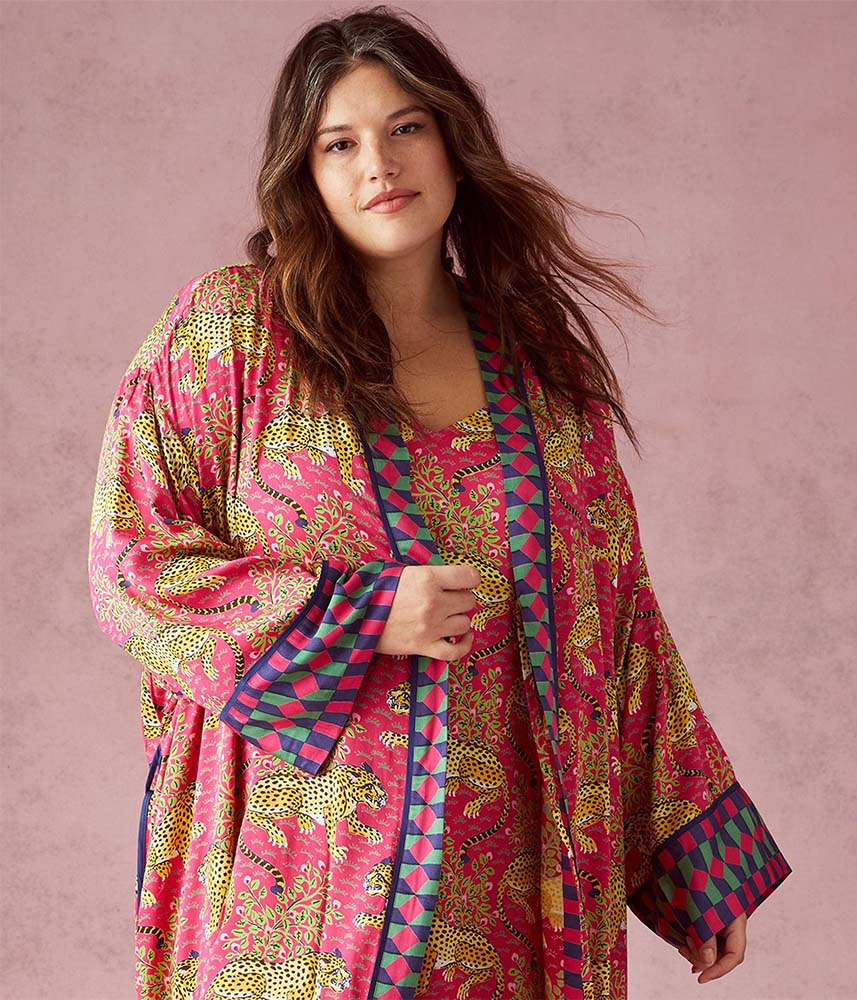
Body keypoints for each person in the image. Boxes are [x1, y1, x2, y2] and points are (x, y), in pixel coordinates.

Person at [87, 6, 791, 999]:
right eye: (339, 143)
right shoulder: (232, 334)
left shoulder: (540, 368)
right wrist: (363, 613)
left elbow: (619, 622)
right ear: (305, 173)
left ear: (456, 141)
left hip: (521, 902)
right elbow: (134, 566)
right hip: (301, 899)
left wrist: (692, 867)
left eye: (406, 126)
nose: (380, 163)